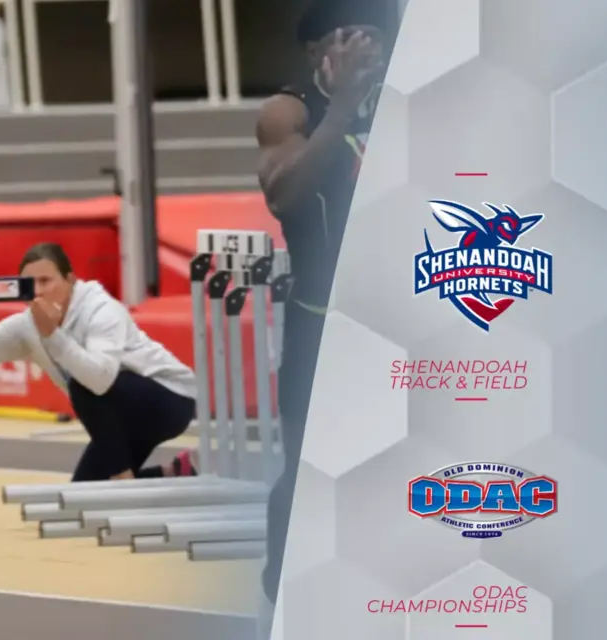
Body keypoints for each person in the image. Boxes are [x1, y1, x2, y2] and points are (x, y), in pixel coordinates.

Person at [254, 0, 388, 635]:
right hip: (320, 321)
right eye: (349, 38)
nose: (366, 49)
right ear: (317, 53)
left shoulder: (408, 97)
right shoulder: (291, 110)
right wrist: (342, 109)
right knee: (307, 473)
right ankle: (279, 603)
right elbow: (284, 194)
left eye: (374, 37)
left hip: (395, 325)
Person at [0, 243, 198, 481]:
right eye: (29, 284)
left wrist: (53, 336)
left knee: (81, 386)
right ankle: (175, 473)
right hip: (119, 416)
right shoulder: (27, 325)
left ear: (70, 281)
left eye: (46, 281)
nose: (38, 291)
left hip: (171, 398)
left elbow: (100, 380)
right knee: (82, 496)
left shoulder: (101, 309)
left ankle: (122, 479)